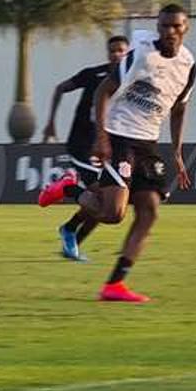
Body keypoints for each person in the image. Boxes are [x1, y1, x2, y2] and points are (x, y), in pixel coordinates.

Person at [37, 4, 196, 303]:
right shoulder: (141, 56)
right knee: (113, 214)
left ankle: (114, 285)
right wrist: (102, 139)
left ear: (186, 28)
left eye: (176, 26)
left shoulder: (189, 65)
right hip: (119, 136)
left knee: (149, 212)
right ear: (158, 27)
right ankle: (70, 187)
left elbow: (180, 108)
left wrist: (176, 151)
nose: (170, 32)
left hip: (148, 143)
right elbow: (103, 92)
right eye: (164, 26)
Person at [40, 34, 131, 261]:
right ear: (108, 53)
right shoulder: (94, 75)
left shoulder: (131, 81)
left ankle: (71, 235)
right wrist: (50, 121)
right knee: (101, 197)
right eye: (113, 50)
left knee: (104, 202)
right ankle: (68, 190)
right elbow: (60, 88)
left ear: (128, 53)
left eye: (121, 50)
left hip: (108, 148)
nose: (117, 54)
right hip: (82, 145)